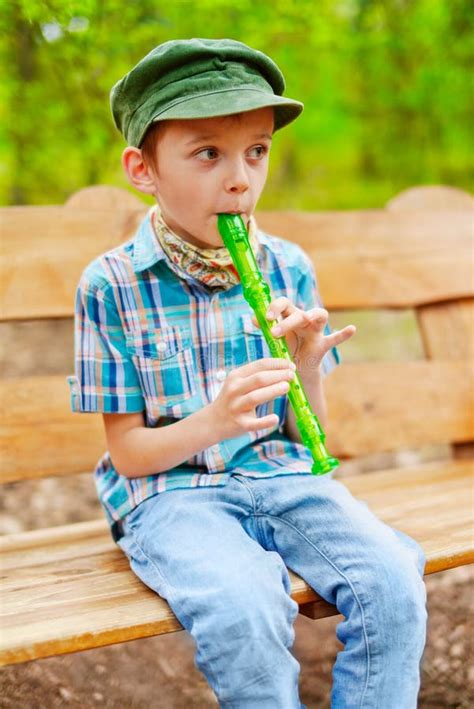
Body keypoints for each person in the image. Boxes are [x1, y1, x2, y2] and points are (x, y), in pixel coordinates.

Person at [69, 38, 427, 708]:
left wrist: (307, 370)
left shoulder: (286, 265)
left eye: (256, 151)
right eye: (208, 152)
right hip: (174, 498)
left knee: (393, 579)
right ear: (142, 168)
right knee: (244, 607)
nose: (240, 178)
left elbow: (311, 435)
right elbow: (129, 455)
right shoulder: (110, 283)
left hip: (284, 479)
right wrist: (212, 421)